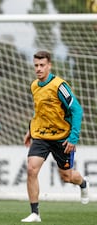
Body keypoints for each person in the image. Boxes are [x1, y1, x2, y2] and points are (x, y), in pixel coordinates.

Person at [21, 50, 89, 223]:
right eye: (36, 65)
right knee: (31, 169)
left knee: (67, 177)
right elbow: (40, 112)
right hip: (41, 136)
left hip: (62, 138)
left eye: (42, 65)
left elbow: (77, 110)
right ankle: (35, 213)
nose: (38, 69)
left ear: (49, 65)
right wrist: (30, 130)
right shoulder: (34, 85)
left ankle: (82, 184)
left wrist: (73, 138)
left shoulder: (60, 86)